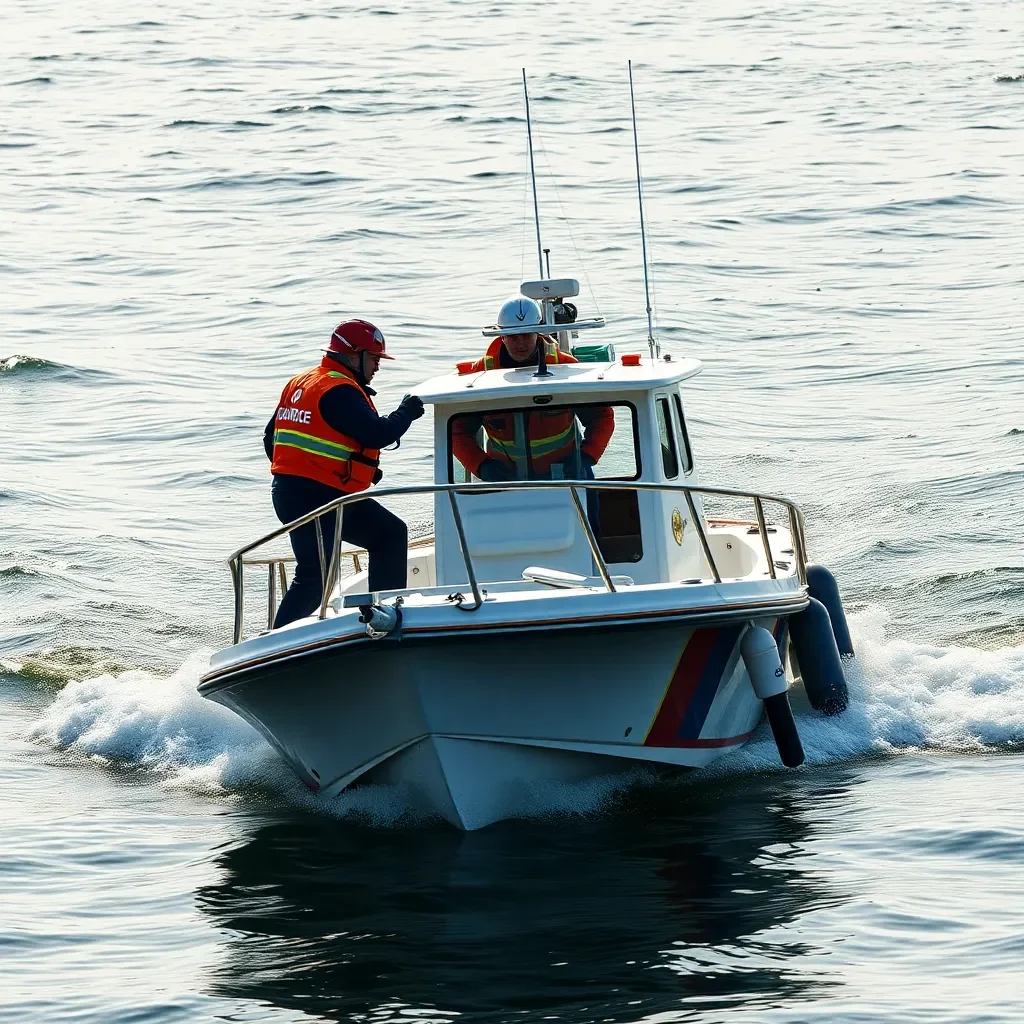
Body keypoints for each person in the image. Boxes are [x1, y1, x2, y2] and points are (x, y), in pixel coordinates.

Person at [264, 318, 424, 628]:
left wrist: (312, 470)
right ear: (355, 356)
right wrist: (408, 410)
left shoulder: (303, 382)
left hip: (293, 492)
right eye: (375, 358)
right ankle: (384, 618)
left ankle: (379, 613)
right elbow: (378, 434)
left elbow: (271, 439)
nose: (377, 366)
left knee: (384, 538)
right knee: (318, 574)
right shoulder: (339, 389)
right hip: (317, 496)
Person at [451, 296, 614, 483]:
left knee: (589, 511)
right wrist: (480, 465)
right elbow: (457, 431)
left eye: (527, 335)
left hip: (567, 476)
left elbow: (601, 417)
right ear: (501, 336)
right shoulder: (479, 376)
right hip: (504, 480)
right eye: (513, 336)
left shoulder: (567, 368)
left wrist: (586, 457)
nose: (521, 343)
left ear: (538, 332)